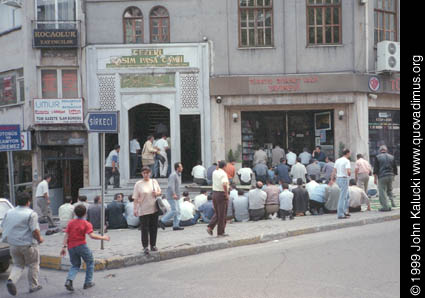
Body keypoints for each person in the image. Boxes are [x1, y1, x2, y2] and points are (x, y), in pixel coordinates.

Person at [1, 193, 44, 296]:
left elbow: (3, 225)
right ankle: (33, 286)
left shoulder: (9, 212)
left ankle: (11, 280)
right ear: (28, 202)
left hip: (13, 244)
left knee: (18, 265)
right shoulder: (31, 214)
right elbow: (35, 230)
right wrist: (40, 239)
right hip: (27, 244)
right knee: (33, 264)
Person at [61, 205, 110, 292]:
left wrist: (64, 247)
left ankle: (69, 280)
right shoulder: (86, 223)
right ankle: (88, 282)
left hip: (71, 247)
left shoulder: (70, 223)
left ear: (75, 213)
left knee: (75, 265)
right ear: (85, 213)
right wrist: (104, 238)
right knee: (90, 262)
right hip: (81, 245)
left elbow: (66, 236)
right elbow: (92, 236)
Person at [132, 166, 162, 254]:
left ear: (150, 173)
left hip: (154, 207)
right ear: (142, 174)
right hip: (143, 208)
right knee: (144, 228)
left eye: (147, 173)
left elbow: (160, 192)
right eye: (144, 173)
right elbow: (135, 198)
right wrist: (135, 209)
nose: (146, 175)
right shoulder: (138, 184)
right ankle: (145, 246)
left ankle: (153, 245)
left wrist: (157, 193)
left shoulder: (154, 181)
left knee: (154, 227)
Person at [206, 160, 230, 237]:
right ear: (225, 166)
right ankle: (220, 232)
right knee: (222, 214)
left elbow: (217, 168)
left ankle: (210, 227)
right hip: (221, 193)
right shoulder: (223, 174)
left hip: (215, 193)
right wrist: (226, 194)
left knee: (218, 212)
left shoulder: (215, 172)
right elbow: (224, 184)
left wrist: (218, 164)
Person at [159, 162, 184, 231]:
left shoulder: (178, 175)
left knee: (178, 211)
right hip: (172, 196)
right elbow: (171, 186)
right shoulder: (173, 175)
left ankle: (176, 225)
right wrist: (174, 194)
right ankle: (162, 220)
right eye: (181, 167)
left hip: (177, 196)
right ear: (177, 168)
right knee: (174, 210)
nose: (182, 168)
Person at [373, 145, 398, 211]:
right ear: (386, 150)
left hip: (382, 176)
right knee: (390, 190)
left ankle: (385, 207)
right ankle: (393, 203)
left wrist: (375, 179)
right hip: (390, 175)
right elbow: (395, 168)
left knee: (382, 192)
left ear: (380, 150)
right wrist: (393, 176)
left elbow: (375, 169)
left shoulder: (377, 157)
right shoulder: (391, 157)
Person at [331, 148, 352, 219]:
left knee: (346, 195)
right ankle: (340, 213)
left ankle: (345, 211)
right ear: (348, 153)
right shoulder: (347, 161)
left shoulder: (337, 160)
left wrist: (332, 179)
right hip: (344, 178)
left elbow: (334, 171)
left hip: (338, 178)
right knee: (342, 197)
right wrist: (349, 174)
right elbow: (348, 171)